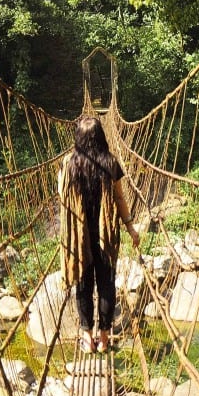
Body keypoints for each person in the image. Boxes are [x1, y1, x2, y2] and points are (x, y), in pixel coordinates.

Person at [58, 115, 140, 353]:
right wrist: (131, 227)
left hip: (78, 236)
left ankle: (86, 336)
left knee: (83, 284)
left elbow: (61, 196)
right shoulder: (111, 162)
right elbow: (120, 198)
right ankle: (103, 338)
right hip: (106, 235)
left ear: (79, 139)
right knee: (106, 284)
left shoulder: (68, 163)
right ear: (102, 137)